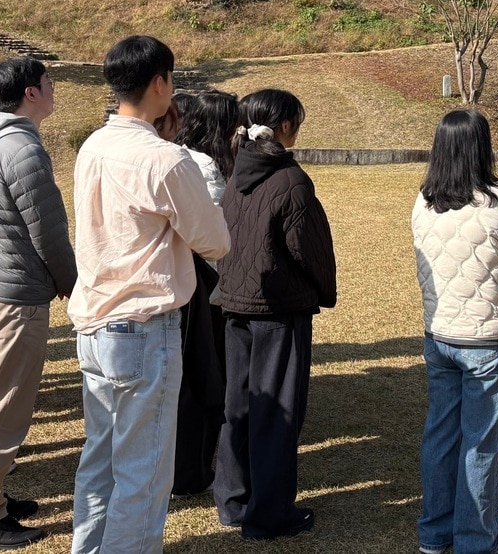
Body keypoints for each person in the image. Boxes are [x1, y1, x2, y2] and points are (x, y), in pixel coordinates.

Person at [68, 37, 231, 554]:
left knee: (100, 458)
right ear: (159, 82)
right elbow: (215, 240)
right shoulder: (165, 160)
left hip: (94, 322)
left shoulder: (93, 145)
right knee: (143, 468)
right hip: (143, 325)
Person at [0, 58, 76, 551]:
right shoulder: (21, 148)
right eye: (49, 84)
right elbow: (47, 230)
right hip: (13, 300)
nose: (53, 91)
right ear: (31, 93)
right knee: (2, 411)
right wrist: (70, 281)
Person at [214, 89, 336, 541]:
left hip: (235, 304)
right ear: (284, 127)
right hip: (279, 310)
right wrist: (323, 292)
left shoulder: (235, 172)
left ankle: (233, 500)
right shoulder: (291, 180)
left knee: (239, 406)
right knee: (278, 412)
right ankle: (268, 514)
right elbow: (312, 251)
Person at [412, 110, 498, 554]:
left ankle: (434, 533)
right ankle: (476, 540)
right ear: (483, 148)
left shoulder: (423, 204)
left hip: (441, 333)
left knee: (441, 435)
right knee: (482, 441)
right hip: (487, 338)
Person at [171, 89, 240, 496]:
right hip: (202, 283)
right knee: (201, 379)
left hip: (196, 281)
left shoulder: (194, 160)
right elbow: (213, 236)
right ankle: (189, 471)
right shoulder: (203, 169)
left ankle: (191, 466)